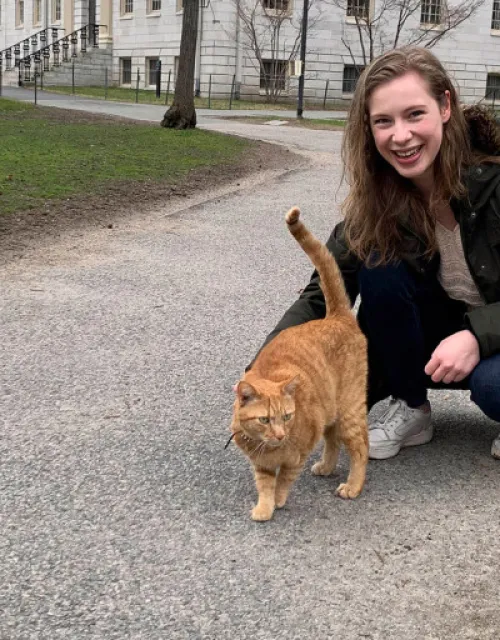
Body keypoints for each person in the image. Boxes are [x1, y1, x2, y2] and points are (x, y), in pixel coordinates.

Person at [253, 46, 500, 460]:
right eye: (383, 122)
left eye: (414, 114)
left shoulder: (493, 181)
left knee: (493, 387)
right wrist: (264, 370)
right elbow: (324, 292)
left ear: (444, 106)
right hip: (436, 344)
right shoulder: (378, 201)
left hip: (489, 339)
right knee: (379, 266)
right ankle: (411, 406)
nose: (400, 136)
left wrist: (478, 334)